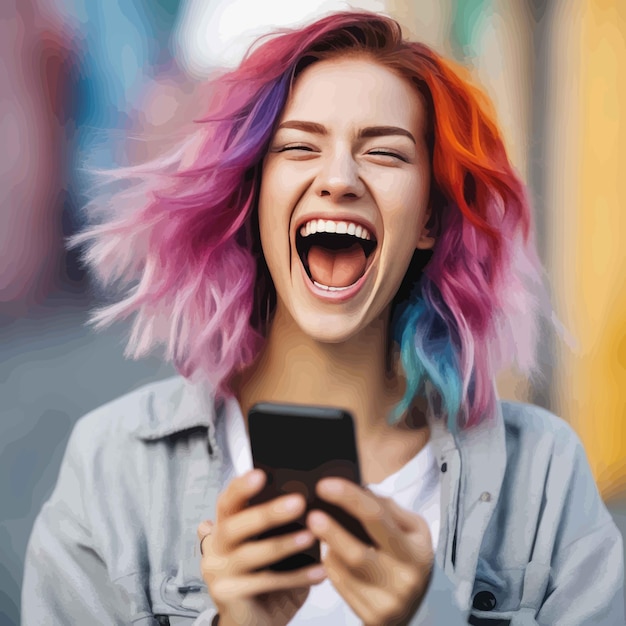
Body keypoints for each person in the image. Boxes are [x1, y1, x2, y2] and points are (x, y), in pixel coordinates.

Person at [22, 11, 624, 626]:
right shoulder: (113, 469)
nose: (338, 179)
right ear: (254, 198)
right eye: (300, 147)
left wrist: (430, 616)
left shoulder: (545, 478)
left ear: (429, 219)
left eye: (386, 152)